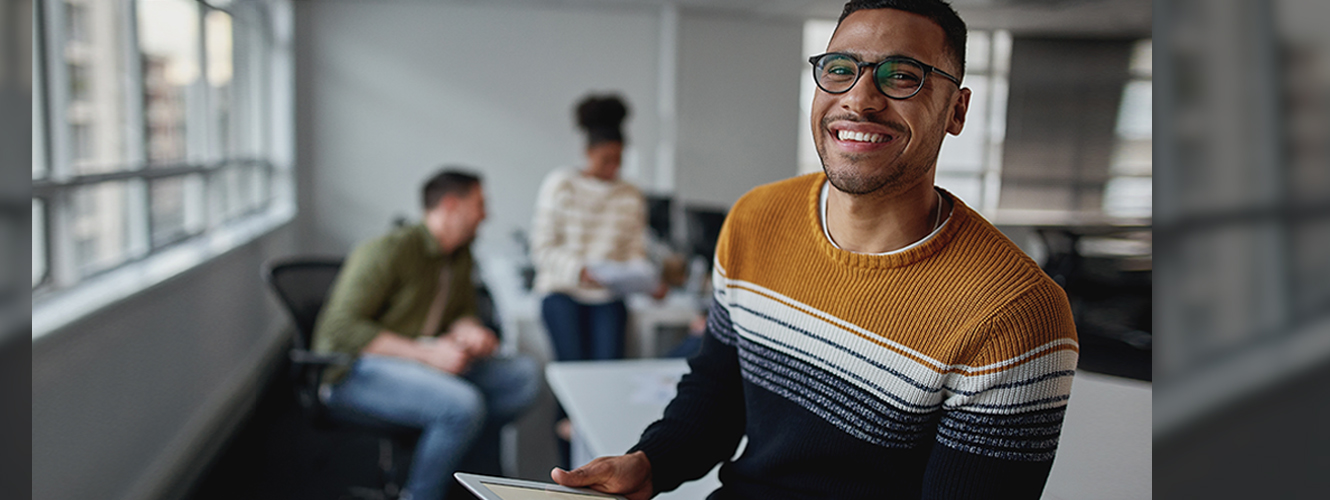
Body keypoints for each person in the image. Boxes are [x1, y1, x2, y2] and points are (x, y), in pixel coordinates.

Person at [550, 1, 1079, 498]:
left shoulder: (1017, 316)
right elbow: (718, 387)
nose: (860, 98)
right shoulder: (756, 219)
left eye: (901, 75)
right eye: (840, 68)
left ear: (956, 111)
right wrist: (651, 462)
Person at [315, 169, 541, 500]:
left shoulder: (460, 255)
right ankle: (421, 494)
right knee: (462, 406)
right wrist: (428, 355)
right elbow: (339, 329)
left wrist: (470, 331)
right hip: (354, 370)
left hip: (422, 362)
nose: (486, 215)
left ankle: (471, 471)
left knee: (524, 375)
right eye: (479, 204)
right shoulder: (388, 249)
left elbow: (461, 312)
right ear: (451, 205)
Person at [530, 93, 663, 365]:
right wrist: (580, 271)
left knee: (607, 373)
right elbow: (542, 248)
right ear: (588, 153)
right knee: (573, 373)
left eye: (618, 160)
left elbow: (635, 252)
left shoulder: (630, 194)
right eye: (605, 159)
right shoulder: (561, 184)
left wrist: (647, 281)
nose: (612, 167)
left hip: (608, 297)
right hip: (563, 292)